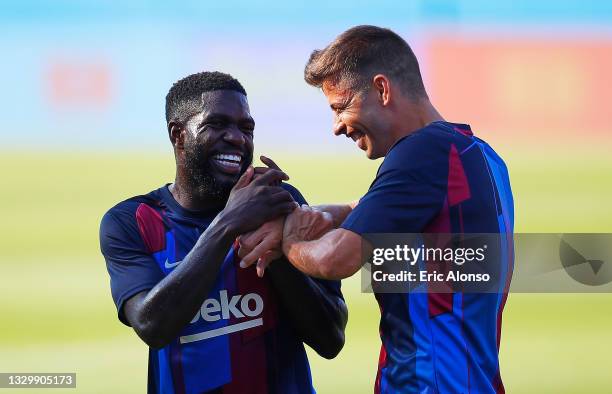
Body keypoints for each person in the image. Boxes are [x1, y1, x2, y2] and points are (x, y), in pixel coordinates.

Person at [239, 26, 514, 393]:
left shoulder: (420, 153)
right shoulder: (481, 156)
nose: (337, 126)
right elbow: (369, 208)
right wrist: (311, 215)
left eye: (340, 107)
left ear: (382, 89)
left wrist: (288, 241)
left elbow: (336, 259)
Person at [99, 71, 348, 394]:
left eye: (246, 128)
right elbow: (152, 326)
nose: (236, 138)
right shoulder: (132, 221)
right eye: (217, 124)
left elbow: (330, 339)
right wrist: (228, 224)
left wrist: (279, 253)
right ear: (179, 135)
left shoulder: (281, 204)